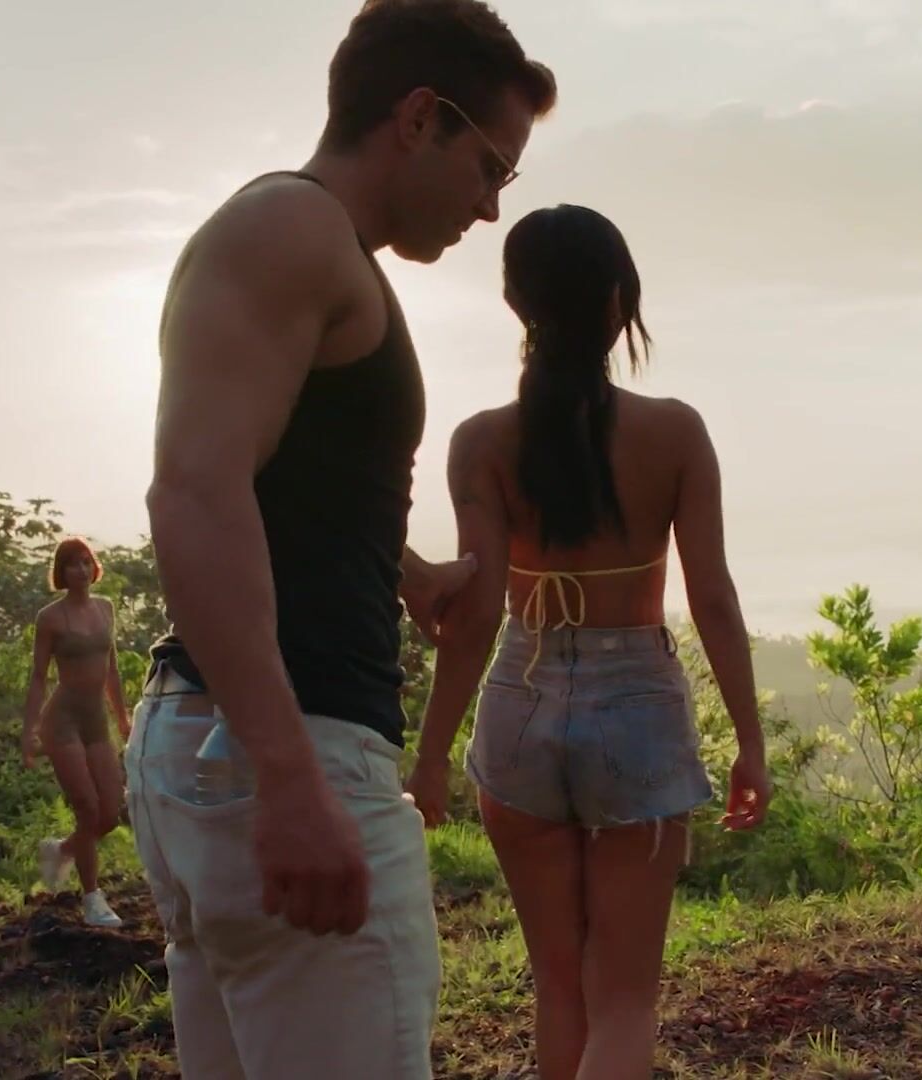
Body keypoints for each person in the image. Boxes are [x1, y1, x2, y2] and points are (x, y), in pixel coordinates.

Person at [131, 1, 556, 1075]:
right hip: (285, 740)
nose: (490, 207)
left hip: (223, 745)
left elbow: (264, 473)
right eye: (491, 166)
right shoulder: (295, 231)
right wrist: (287, 777)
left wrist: (400, 571)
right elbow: (193, 493)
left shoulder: (307, 245)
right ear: (419, 117)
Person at [404, 204, 773, 1079]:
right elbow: (712, 598)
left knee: (559, 987)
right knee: (626, 1001)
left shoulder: (481, 442)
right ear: (618, 302)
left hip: (518, 705)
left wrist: (432, 754)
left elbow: (477, 611)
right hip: (637, 708)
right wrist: (749, 743)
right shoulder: (674, 432)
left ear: (515, 303)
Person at [23, 537, 131, 928]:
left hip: (95, 719)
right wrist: (29, 730)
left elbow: (112, 669)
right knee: (87, 808)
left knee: (110, 814)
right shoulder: (50, 618)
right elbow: (39, 676)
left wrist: (122, 717)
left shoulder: (105, 608)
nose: (81, 570)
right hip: (62, 719)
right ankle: (92, 898)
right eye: (72, 564)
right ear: (61, 572)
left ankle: (62, 850)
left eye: (86, 562)